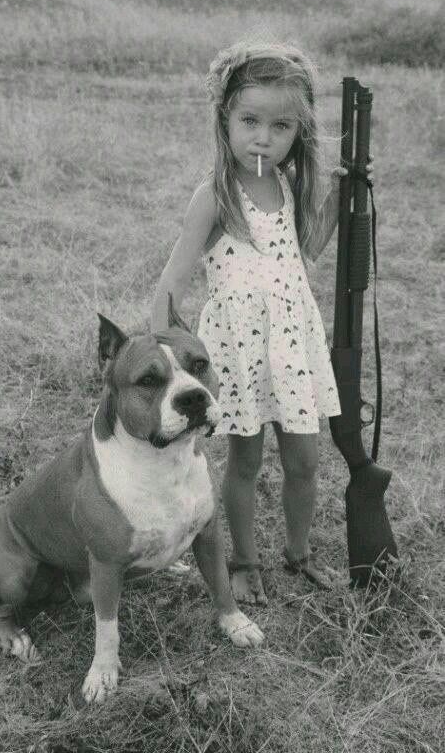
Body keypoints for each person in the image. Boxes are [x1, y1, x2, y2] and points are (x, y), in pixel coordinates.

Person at [150, 41, 373, 604]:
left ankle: (299, 552)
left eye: (281, 126)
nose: (263, 138)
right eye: (250, 121)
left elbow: (303, 252)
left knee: (305, 459)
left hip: (291, 344)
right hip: (239, 349)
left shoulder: (289, 186)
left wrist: (340, 196)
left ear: (299, 132)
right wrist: (164, 357)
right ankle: (244, 561)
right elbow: (172, 279)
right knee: (245, 460)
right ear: (225, 119)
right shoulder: (216, 195)